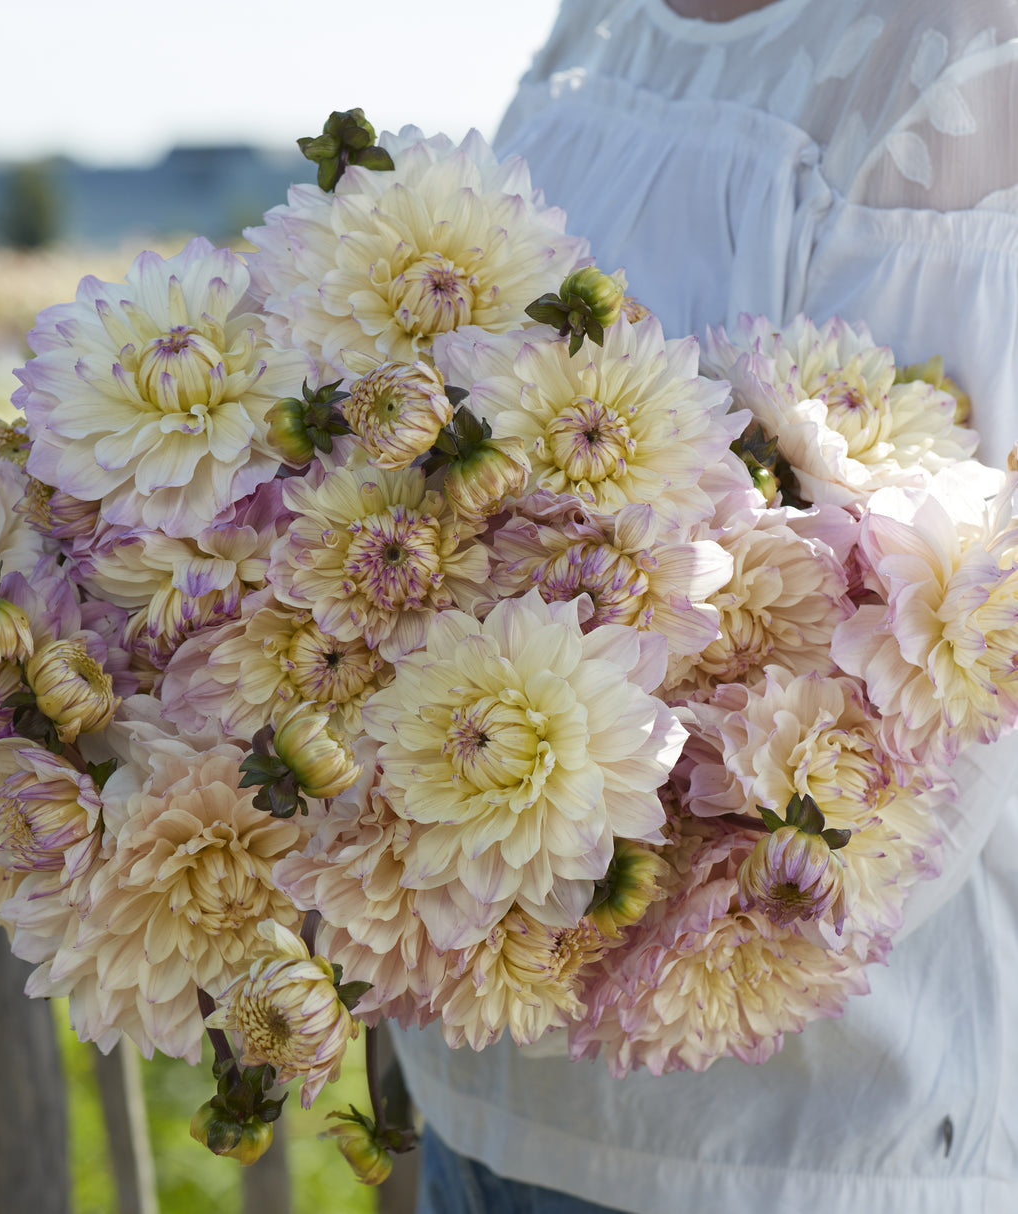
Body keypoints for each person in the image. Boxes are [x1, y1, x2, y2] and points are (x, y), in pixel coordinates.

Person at [392, 3, 1018, 1211]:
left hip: (798, 1148)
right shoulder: (602, 23)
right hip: (479, 1107)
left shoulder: (957, 63)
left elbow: (932, 723)